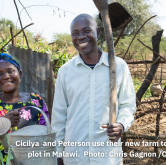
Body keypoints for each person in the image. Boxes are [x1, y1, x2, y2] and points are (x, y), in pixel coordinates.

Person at [51, 14, 137, 165]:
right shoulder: (65, 71)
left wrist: (121, 124)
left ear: (97, 32)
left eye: (86, 31)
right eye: (75, 33)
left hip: (108, 157)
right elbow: (59, 117)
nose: (81, 37)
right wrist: (58, 153)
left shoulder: (118, 66)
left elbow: (128, 106)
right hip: (75, 158)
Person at [0, 53, 50, 165]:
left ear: (19, 74)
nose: (5, 76)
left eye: (10, 71)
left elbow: (47, 136)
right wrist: (4, 123)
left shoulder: (36, 101)